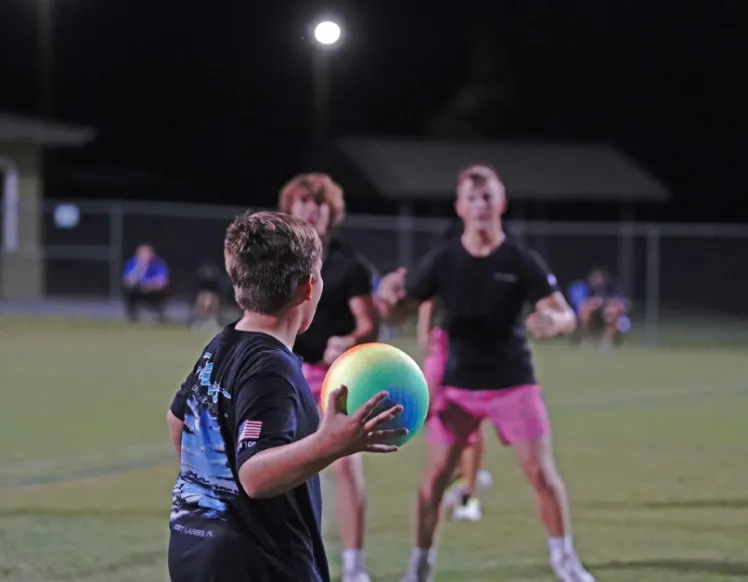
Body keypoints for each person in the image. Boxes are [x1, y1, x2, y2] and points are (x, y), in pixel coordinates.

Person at [377, 165, 595, 582]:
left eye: (488, 197)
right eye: (472, 198)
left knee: (542, 475)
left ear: (502, 203)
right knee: (435, 479)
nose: (481, 205)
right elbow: (401, 308)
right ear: (460, 207)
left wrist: (556, 322)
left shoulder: (520, 259)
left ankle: (565, 562)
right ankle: (419, 567)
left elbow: (562, 311)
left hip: (514, 382)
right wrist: (388, 298)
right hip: (458, 387)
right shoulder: (443, 260)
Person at [165, 210, 405, 582]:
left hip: (193, 549)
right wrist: (331, 443)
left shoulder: (222, 344)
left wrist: (212, 502)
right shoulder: (271, 366)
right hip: (258, 565)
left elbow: (178, 421)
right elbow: (256, 476)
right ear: (309, 287)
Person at [278, 173, 380, 582]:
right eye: (303, 202)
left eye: (319, 203)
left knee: (346, 469)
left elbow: (370, 324)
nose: (311, 209)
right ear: (290, 208)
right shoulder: (278, 260)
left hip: (333, 376)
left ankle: (354, 569)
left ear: (332, 211)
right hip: (284, 374)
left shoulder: (349, 264)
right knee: (280, 469)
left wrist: (350, 340)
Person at [416, 222, 493, 523]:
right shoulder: (444, 262)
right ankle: (462, 472)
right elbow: (427, 299)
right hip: (442, 345)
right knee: (429, 411)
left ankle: (468, 495)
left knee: (470, 421)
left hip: (472, 349)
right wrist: (426, 338)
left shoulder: (488, 266)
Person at [573, 267, 629, 349]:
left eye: (598, 278)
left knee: (610, 313)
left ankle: (606, 341)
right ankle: (586, 340)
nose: (596, 280)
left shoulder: (612, 287)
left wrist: (604, 302)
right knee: (584, 311)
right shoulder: (591, 288)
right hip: (595, 312)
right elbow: (585, 302)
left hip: (610, 310)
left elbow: (619, 302)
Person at [122, 244, 169, 323]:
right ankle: (132, 317)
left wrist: (150, 286)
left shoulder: (158, 264)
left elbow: (162, 281)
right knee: (128, 291)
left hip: (153, 291)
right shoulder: (133, 263)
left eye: (148, 253)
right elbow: (127, 280)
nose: (146, 256)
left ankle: (160, 317)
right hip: (138, 291)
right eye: (143, 254)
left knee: (163, 292)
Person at [187, 263, 223, 331]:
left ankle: (212, 322)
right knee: (203, 305)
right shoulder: (201, 292)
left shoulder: (214, 292)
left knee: (211, 304)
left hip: (211, 294)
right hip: (204, 294)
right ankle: (201, 322)